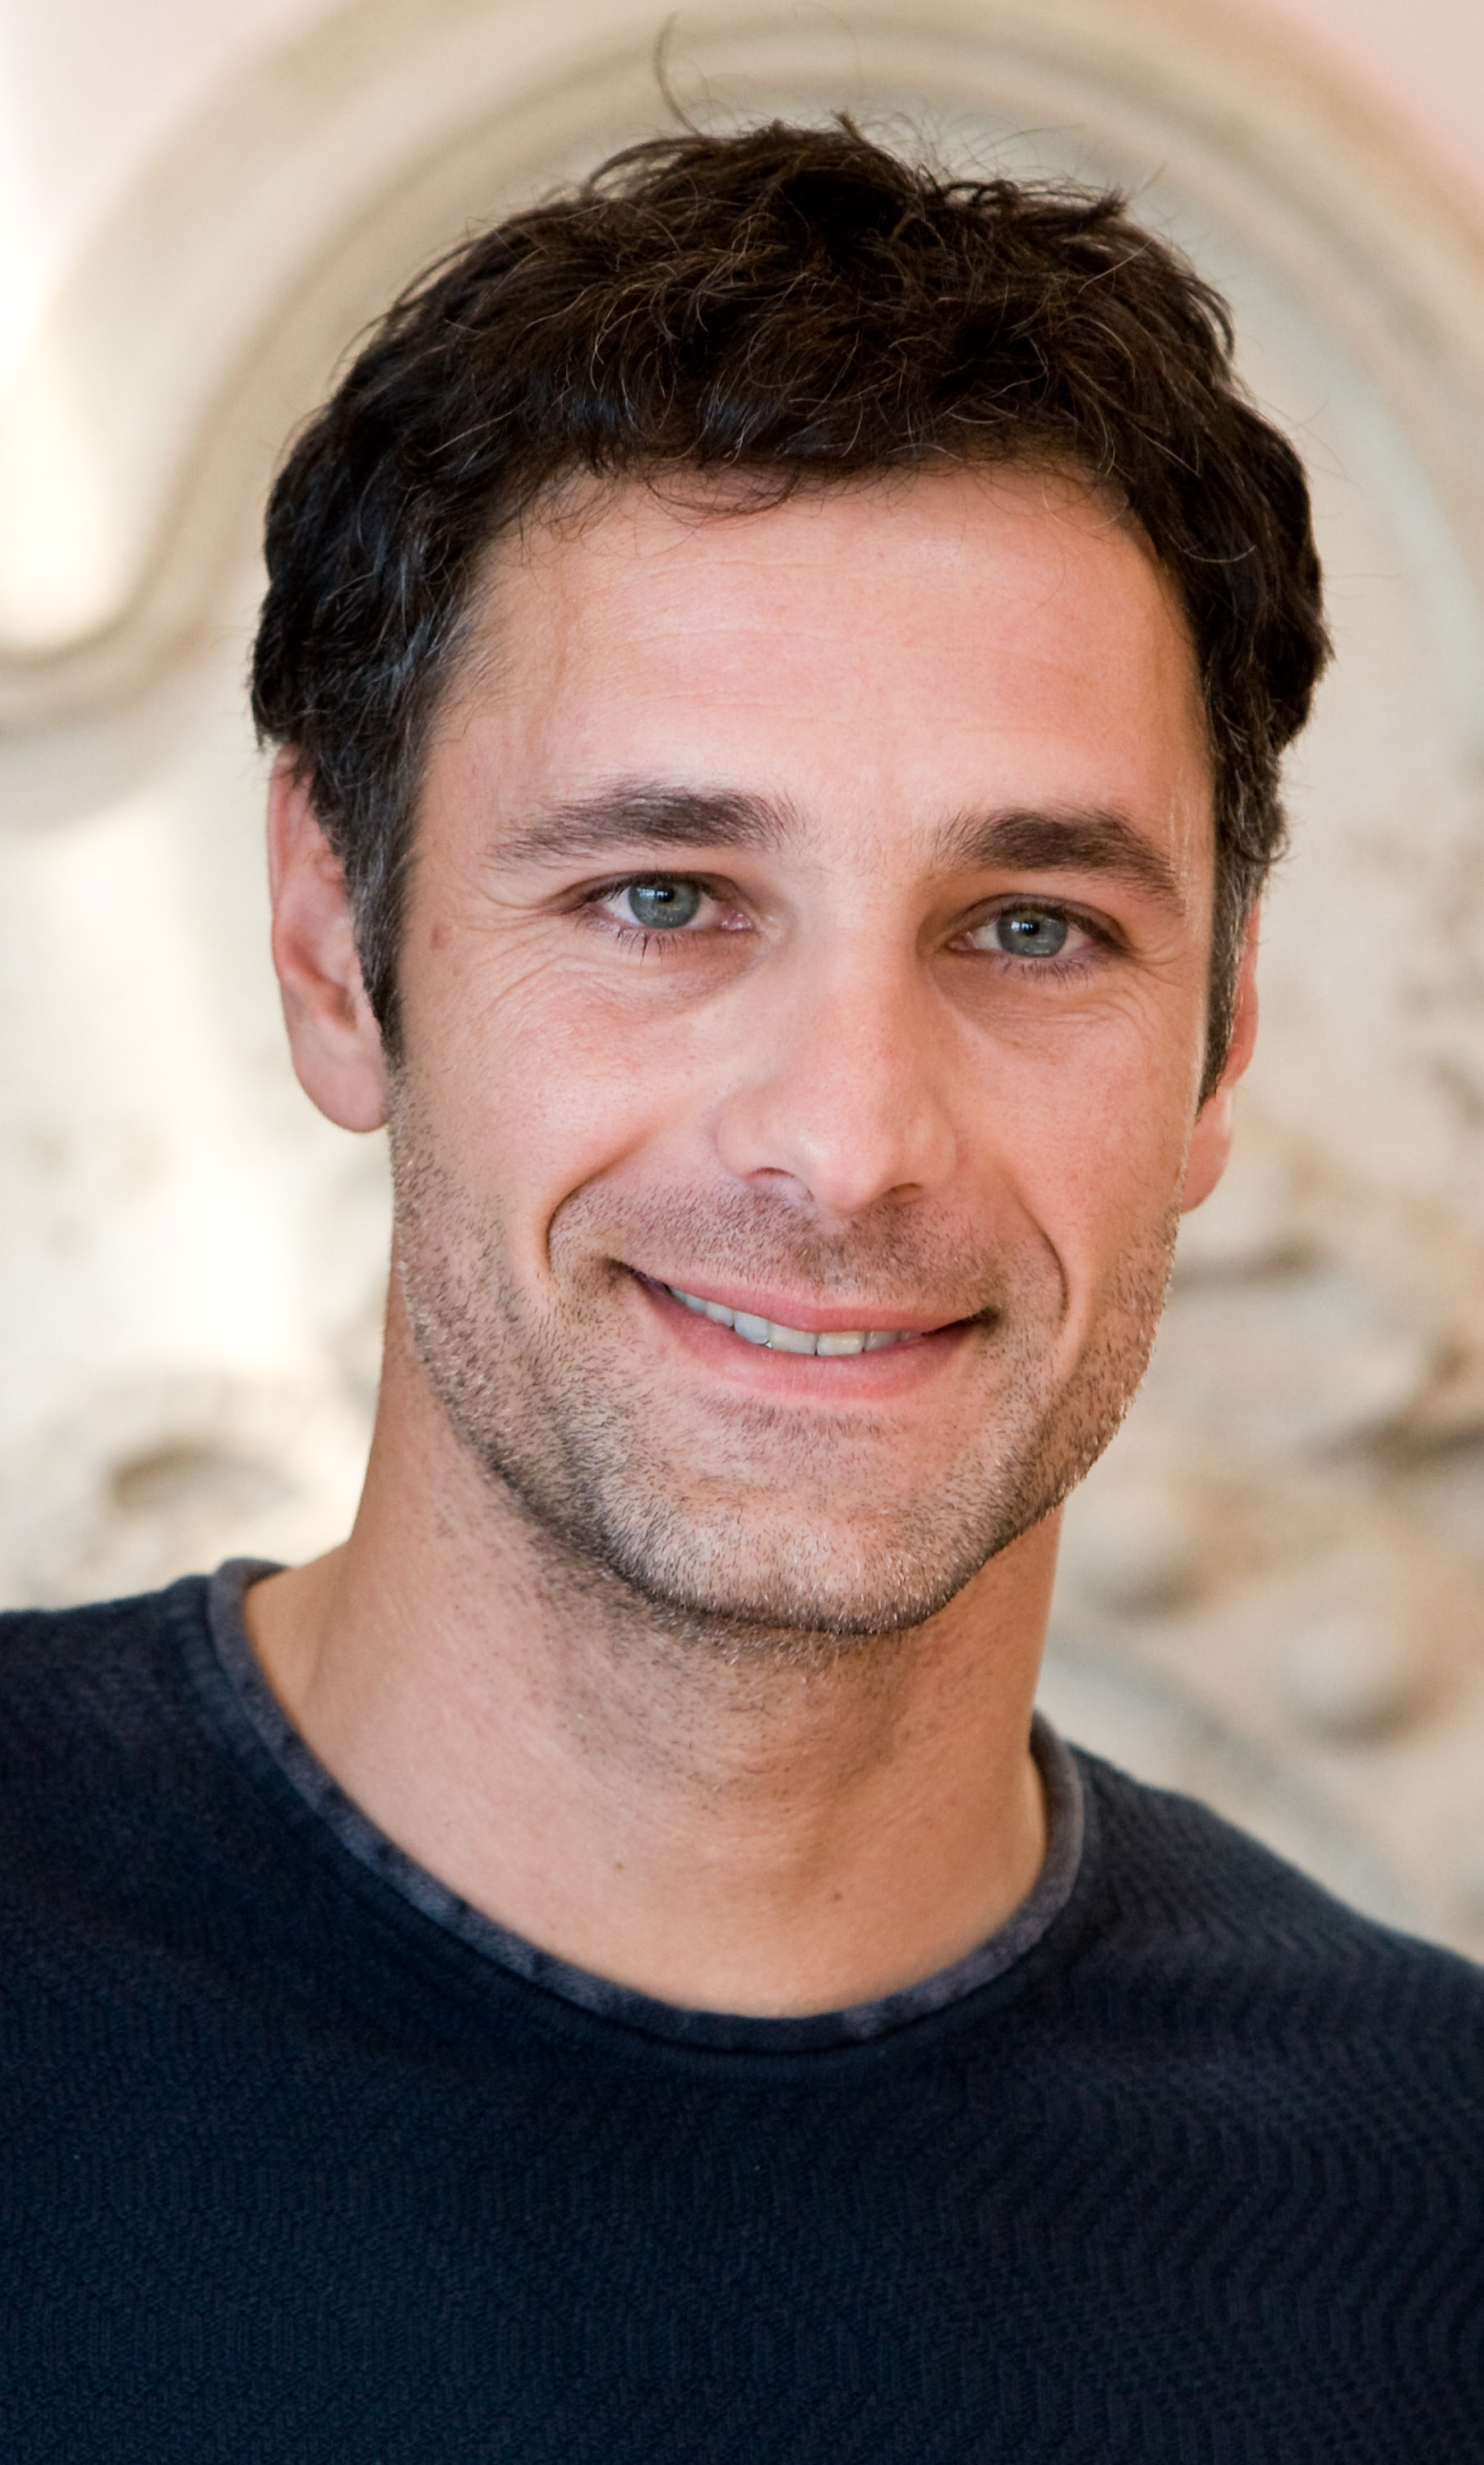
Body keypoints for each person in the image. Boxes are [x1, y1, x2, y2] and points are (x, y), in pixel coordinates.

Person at [1, 121, 1479, 2462]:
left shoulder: (1432, 2219)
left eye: (1033, 929)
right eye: (664, 898)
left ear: (1220, 1039)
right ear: (333, 946)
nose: (850, 1142)